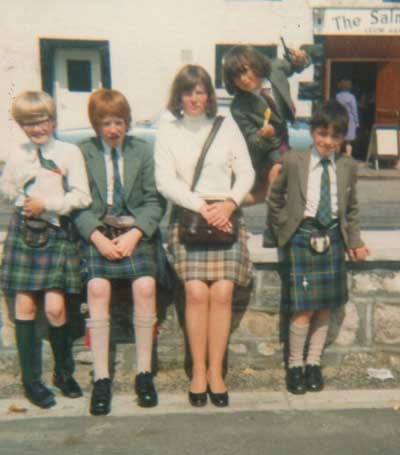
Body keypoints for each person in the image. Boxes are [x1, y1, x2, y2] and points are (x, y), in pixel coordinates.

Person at [155, 65, 254, 407]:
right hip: (190, 217)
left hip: (225, 217)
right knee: (196, 293)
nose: (194, 99)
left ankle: (217, 372)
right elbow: (165, 181)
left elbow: (246, 172)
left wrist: (227, 204)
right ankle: (198, 371)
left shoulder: (226, 127)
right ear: (178, 96)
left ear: (209, 95)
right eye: (188, 92)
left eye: (200, 91)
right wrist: (202, 206)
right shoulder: (168, 132)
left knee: (224, 292)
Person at [74, 89, 166, 416]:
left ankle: (144, 374)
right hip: (100, 234)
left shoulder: (142, 151)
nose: (113, 130)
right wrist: (98, 238)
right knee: (97, 288)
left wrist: (136, 234)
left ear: (127, 122)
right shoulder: (82, 153)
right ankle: (101, 378)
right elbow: (77, 203)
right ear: (95, 125)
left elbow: (155, 202)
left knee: (146, 286)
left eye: (119, 122)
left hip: (135, 233)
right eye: (105, 123)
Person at [268, 100, 369, 395]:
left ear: (342, 139)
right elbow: (276, 200)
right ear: (313, 132)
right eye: (323, 134)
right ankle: (295, 365)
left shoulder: (348, 166)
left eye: (335, 136)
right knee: (302, 309)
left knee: (324, 308)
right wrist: (284, 231)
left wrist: (356, 241)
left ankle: (314, 363)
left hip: (333, 238)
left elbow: (350, 209)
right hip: (302, 236)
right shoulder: (294, 161)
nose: (328, 142)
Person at [0, 91, 91, 408]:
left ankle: (64, 375)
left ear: (52, 120)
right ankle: (31, 382)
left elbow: (82, 196)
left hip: (55, 232)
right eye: (28, 124)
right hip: (24, 232)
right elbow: (6, 189)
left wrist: (48, 205)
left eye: (42, 121)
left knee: (55, 308)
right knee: (24, 307)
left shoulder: (68, 152)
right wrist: (20, 197)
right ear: (21, 125)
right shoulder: (16, 153)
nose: (37, 129)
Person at [222, 44, 309, 207]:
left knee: (284, 182)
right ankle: (227, 206)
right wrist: (263, 135)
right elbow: (252, 140)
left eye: (245, 71)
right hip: (266, 150)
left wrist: (302, 58)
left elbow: (296, 65)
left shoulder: (274, 69)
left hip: (284, 138)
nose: (243, 79)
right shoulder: (238, 106)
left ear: (255, 65)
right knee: (273, 176)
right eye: (236, 76)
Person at [335, 78, 359, 157]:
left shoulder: (337, 96)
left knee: (339, 138)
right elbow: (354, 110)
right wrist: (357, 121)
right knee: (348, 141)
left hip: (340, 117)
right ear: (349, 87)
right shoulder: (351, 97)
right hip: (350, 119)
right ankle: (348, 155)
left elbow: (336, 107)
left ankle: (337, 155)